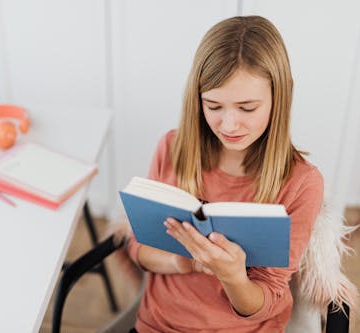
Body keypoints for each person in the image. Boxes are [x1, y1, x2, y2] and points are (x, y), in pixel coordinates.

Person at [126, 15, 324, 332]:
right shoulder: (173, 146)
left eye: (247, 108)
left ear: (281, 96)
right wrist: (185, 261)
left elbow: (269, 297)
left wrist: (232, 275)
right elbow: (138, 247)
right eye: (214, 106)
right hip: (157, 324)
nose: (229, 126)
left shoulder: (301, 183)